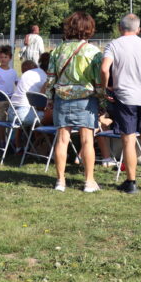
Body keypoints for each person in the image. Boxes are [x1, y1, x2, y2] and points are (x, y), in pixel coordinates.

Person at [101, 14, 141, 194]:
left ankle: (131, 182)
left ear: (120, 28)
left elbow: (105, 68)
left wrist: (105, 89)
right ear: (138, 29)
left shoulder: (113, 45)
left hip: (125, 98)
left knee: (128, 139)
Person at [44, 11, 105, 193]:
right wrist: (102, 99)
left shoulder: (58, 50)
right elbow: (98, 80)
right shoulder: (93, 52)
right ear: (89, 29)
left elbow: (50, 79)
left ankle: (60, 181)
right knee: (87, 140)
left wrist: (49, 98)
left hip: (62, 98)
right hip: (86, 100)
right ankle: (89, 181)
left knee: (62, 140)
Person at [11, 59, 47, 128]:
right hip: (23, 114)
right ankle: (43, 138)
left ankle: (32, 137)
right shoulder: (43, 76)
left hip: (11, 114)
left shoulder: (27, 74)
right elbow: (41, 104)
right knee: (51, 116)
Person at [0, 45, 19, 126]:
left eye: (5, 57)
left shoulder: (13, 72)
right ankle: (2, 139)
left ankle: (9, 138)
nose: (3, 59)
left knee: (11, 120)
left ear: (10, 58)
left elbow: (19, 85)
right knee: (1, 121)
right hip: (0, 100)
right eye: (1, 57)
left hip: (11, 99)